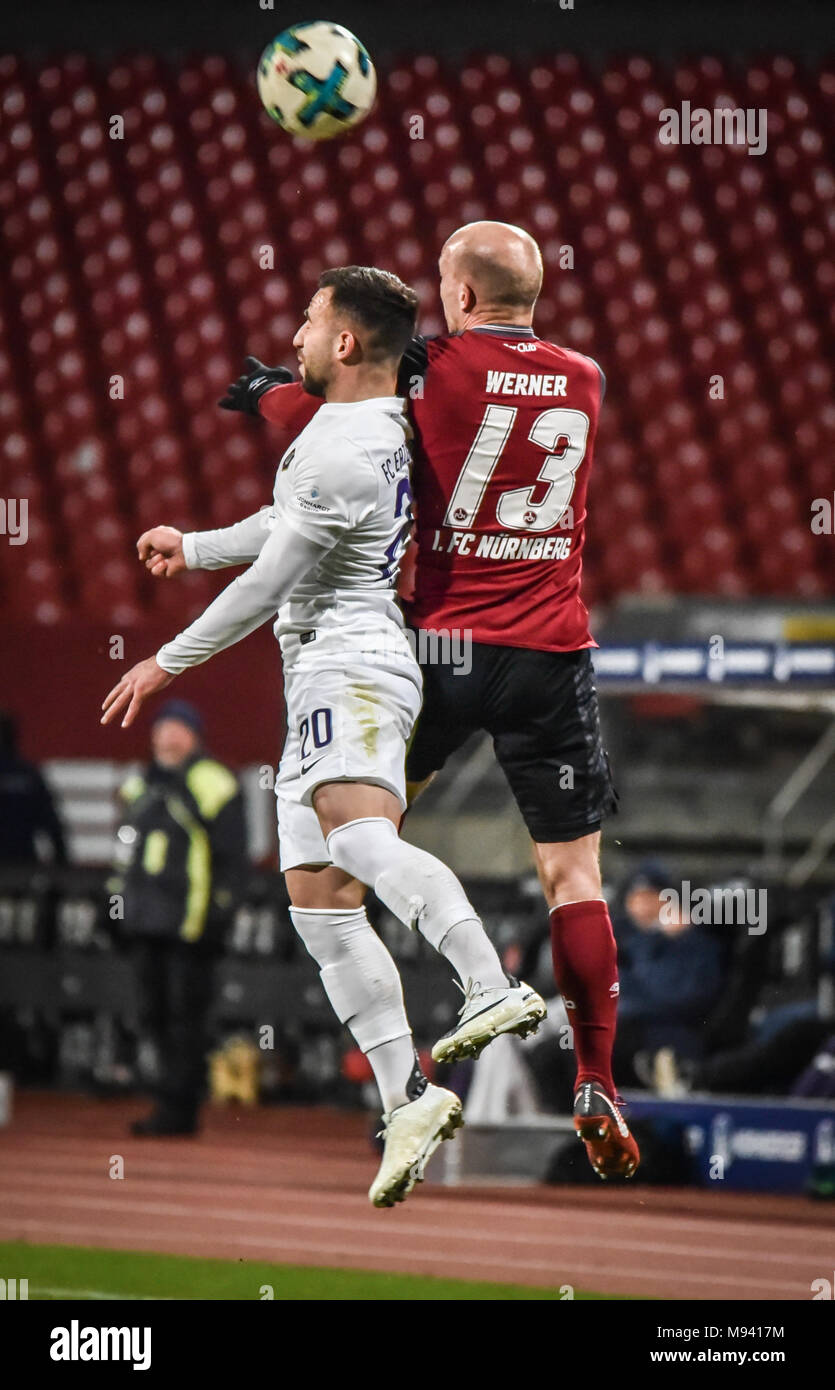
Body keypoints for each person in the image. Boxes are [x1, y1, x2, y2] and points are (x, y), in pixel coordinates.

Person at [101, 266, 546, 1206]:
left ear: (345, 342)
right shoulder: (364, 431)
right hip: (325, 668)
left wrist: (166, 662)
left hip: (349, 663)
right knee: (321, 904)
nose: (294, 337)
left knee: (356, 840)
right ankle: (406, 1098)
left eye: (308, 321)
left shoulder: (339, 446)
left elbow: (271, 582)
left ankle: (485, 980)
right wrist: (194, 543)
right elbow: (283, 528)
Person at [211, 222, 639, 1178]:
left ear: (461, 297)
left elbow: (341, 419)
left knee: (338, 858)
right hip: (550, 656)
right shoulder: (586, 376)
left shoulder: (434, 366)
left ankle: (417, 1056)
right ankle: (597, 1076)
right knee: (574, 880)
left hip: (439, 644)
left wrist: (265, 394)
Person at [115, 700, 247, 1135]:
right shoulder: (140, 783)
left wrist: (220, 913)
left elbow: (231, 856)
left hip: (190, 926)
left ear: (195, 737)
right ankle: (167, 1101)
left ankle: (179, 1108)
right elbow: (127, 852)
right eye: (163, 729)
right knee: (151, 1014)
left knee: (184, 1018)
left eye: (178, 730)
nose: (168, 739)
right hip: (145, 922)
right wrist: (118, 906)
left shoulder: (213, 780)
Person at [0, 711, 67, 867]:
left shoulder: (29, 775)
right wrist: (62, 862)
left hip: (21, 861)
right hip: (23, 862)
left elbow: (51, 823)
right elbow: (52, 825)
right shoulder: (29, 775)